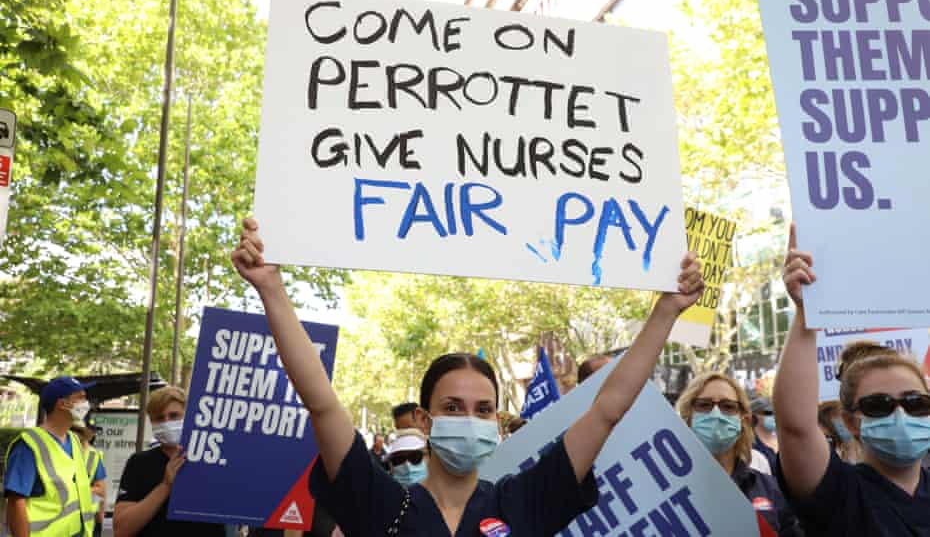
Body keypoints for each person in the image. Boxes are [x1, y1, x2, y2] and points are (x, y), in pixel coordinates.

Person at [232, 217, 704, 536]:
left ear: (498, 421)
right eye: (452, 407)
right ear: (424, 418)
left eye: (482, 410)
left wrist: (666, 312)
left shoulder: (523, 502)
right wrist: (271, 287)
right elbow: (322, 402)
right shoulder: (379, 503)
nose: (469, 419)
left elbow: (607, 409)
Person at [774, 226, 930, 535]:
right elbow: (796, 426)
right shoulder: (840, 492)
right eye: (878, 405)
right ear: (851, 421)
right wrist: (807, 313)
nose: (900, 414)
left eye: (916, 402)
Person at [676, 373, 802, 536]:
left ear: (744, 420)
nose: (716, 415)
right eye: (704, 405)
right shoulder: (666, 492)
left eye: (728, 406)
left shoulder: (770, 489)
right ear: (688, 417)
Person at [113, 386, 225, 537]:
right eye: (159, 418)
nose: (167, 422)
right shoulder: (139, 463)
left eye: (174, 416)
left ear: (189, 416)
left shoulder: (214, 459)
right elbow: (121, 530)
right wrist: (165, 486)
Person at [4, 376, 97, 537]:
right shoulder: (29, 444)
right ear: (62, 404)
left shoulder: (74, 440)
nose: (86, 403)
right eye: (81, 398)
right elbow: (15, 502)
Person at [72, 422, 107, 537]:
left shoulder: (93, 455)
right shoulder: (59, 452)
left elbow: (101, 490)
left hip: (85, 520)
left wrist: (100, 518)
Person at [750, 395, 779, 473]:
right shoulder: (750, 445)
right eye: (769, 413)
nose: (774, 416)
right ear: (755, 415)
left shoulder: (783, 440)